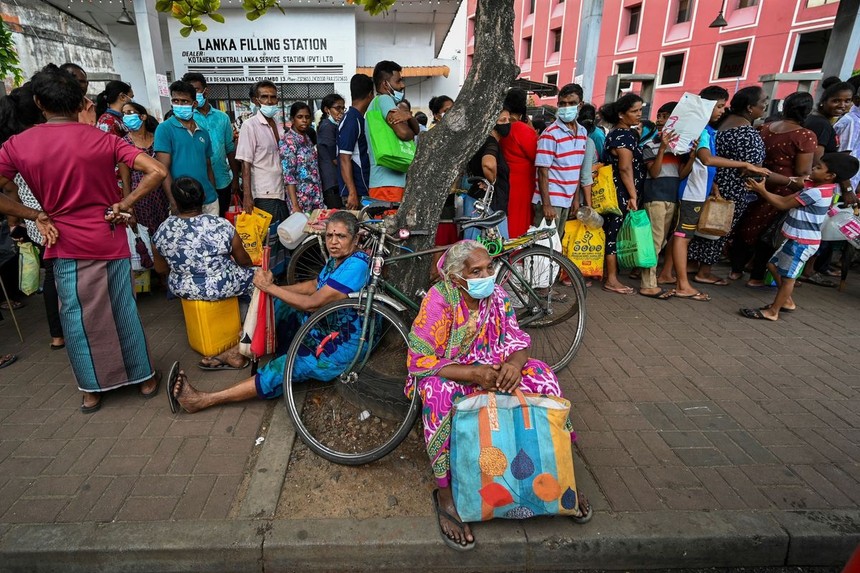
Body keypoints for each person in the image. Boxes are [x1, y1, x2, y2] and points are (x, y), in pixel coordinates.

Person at [0, 64, 167, 413]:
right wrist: (126, 202)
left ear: (38, 102)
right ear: (81, 102)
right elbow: (157, 171)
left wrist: (35, 215)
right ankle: (145, 378)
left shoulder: (18, 145)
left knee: (77, 319)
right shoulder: (104, 139)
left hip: (63, 241)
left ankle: (92, 389)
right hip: (108, 234)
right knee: (122, 309)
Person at [406, 240, 587, 550]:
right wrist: (474, 374)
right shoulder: (439, 300)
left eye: (489, 268)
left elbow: (518, 341)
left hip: (496, 367)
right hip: (456, 373)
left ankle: (562, 472)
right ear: (456, 276)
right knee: (437, 395)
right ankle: (445, 494)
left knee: (543, 377)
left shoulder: (498, 296)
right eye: (476, 271)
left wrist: (515, 367)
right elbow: (420, 360)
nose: (487, 275)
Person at [168, 211, 370, 408]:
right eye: (329, 236)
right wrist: (272, 293)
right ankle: (238, 352)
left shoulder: (356, 266)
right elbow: (313, 285)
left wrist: (270, 288)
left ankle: (204, 399)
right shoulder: (339, 259)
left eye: (341, 236)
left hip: (340, 344)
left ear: (355, 240)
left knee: (280, 367)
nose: (333, 242)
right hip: (324, 325)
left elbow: (314, 302)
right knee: (278, 305)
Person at [661, 86, 769, 302]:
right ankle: (683, 285)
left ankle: (667, 274)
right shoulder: (701, 131)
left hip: (698, 190)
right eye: (719, 106)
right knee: (684, 237)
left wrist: (713, 186)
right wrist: (747, 164)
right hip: (691, 192)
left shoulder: (708, 130)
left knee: (680, 235)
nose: (722, 111)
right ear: (706, 107)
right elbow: (707, 159)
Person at [740, 153, 859, 321]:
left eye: (818, 168)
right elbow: (784, 199)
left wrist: (762, 190)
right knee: (773, 266)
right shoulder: (818, 188)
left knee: (788, 278)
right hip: (795, 238)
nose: (813, 169)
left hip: (801, 242)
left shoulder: (816, 192)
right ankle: (786, 301)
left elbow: (782, 203)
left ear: (830, 176)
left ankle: (773, 311)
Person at [729, 92, 817, 287]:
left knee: (747, 225)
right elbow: (803, 171)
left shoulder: (765, 128)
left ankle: (736, 270)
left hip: (757, 182)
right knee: (770, 232)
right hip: (784, 189)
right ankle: (756, 276)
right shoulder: (805, 135)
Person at [0, 82, 63, 348]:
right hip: (49, 217)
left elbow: (10, 188)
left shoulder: (14, 144)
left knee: (53, 272)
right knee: (59, 273)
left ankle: (57, 335)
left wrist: (21, 217)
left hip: (36, 217)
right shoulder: (28, 144)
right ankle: (61, 332)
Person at [689, 86, 768, 285]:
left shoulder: (721, 126)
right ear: (750, 108)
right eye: (763, 102)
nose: (765, 107)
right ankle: (704, 272)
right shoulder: (747, 133)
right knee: (719, 229)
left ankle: (692, 264)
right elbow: (751, 169)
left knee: (702, 227)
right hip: (732, 187)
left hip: (712, 183)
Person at [152, 176, 253, 302]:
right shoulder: (221, 224)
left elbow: (160, 269)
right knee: (257, 275)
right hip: (221, 286)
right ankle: (247, 314)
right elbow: (244, 261)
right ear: (203, 197)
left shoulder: (163, 229)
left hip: (183, 288)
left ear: (176, 202)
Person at [638, 101, 695, 296]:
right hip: (655, 196)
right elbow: (654, 173)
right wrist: (662, 149)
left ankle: (647, 275)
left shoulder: (680, 149)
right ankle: (648, 283)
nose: (661, 120)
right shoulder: (650, 145)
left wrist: (693, 156)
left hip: (670, 196)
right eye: (660, 116)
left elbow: (680, 174)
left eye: (666, 117)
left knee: (660, 241)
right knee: (655, 241)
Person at [598, 93, 646, 295]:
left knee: (614, 233)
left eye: (640, 110)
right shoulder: (623, 136)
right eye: (634, 111)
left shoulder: (619, 134)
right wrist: (633, 196)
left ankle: (611, 275)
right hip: (621, 193)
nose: (639, 115)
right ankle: (611, 279)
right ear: (621, 114)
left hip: (619, 191)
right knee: (614, 234)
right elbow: (626, 168)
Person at [154, 80, 218, 215]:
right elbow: (162, 170)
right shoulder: (164, 129)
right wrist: (173, 201)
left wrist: (213, 191)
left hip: (208, 199)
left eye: (184, 101)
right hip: (183, 202)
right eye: (176, 101)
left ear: (194, 104)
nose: (179, 105)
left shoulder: (203, 132)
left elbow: (208, 166)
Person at [534, 83, 588, 242]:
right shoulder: (550, 134)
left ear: (580, 105)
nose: (566, 107)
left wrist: (576, 199)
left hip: (567, 199)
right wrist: (547, 205)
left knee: (557, 246)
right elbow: (542, 171)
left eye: (571, 103)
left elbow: (576, 168)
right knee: (544, 249)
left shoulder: (583, 133)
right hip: (551, 200)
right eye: (562, 104)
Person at [183, 72, 241, 218]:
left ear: (205, 90)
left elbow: (229, 148)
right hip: (196, 184)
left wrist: (235, 178)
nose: (193, 94)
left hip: (222, 181)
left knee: (221, 220)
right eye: (189, 91)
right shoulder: (186, 119)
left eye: (196, 90)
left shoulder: (222, 117)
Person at [366, 60, 419, 202]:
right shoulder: (384, 100)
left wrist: (408, 117)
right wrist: (408, 125)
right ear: (385, 84)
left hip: (383, 184)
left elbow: (415, 130)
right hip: (388, 186)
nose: (402, 85)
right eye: (398, 81)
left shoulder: (376, 104)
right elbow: (404, 133)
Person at [236, 81, 287, 223]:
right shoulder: (250, 125)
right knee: (269, 238)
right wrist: (247, 196)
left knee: (282, 237)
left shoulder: (278, 125)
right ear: (255, 100)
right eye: (265, 97)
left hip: (282, 191)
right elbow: (245, 162)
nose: (270, 101)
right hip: (264, 192)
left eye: (273, 97)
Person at [118, 101, 169, 236]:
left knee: (166, 231)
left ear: (143, 117)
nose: (126, 117)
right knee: (148, 234)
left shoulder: (158, 138)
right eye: (124, 114)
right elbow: (125, 178)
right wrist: (129, 207)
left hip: (162, 194)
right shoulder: (123, 144)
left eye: (130, 113)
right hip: (140, 196)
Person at [464, 109, 512, 240]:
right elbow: (488, 164)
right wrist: (492, 182)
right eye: (502, 120)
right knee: (490, 249)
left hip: (477, 200)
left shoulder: (479, 141)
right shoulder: (491, 142)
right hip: (488, 204)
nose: (507, 124)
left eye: (508, 120)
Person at [499, 88, 538, 238]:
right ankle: (517, 255)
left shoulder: (502, 127)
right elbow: (537, 156)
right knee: (520, 221)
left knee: (508, 220)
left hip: (505, 180)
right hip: (522, 183)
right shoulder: (522, 130)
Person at [280, 102, 324, 214]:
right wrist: (295, 205)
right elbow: (289, 176)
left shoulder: (307, 139)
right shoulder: (288, 141)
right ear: (292, 119)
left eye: (307, 117)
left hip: (314, 195)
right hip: (300, 200)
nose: (304, 120)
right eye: (300, 117)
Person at [338, 74, 374, 210]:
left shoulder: (356, 118)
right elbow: (344, 158)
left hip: (360, 188)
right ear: (371, 95)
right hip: (355, 191)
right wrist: (352, 192)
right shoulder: (352, 120)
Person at [318, 93, 346, 208]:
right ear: (327, 110)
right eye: (337, 108)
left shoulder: (334, 126)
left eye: (343, 108)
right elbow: (335, 159)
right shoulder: (327, 126)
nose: (341, 112)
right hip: (331, 181)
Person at [834, 75, 860, 200]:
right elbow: (842, 158)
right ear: (857, 99)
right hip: (839, 191)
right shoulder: (851, 122)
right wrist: (848, 190)